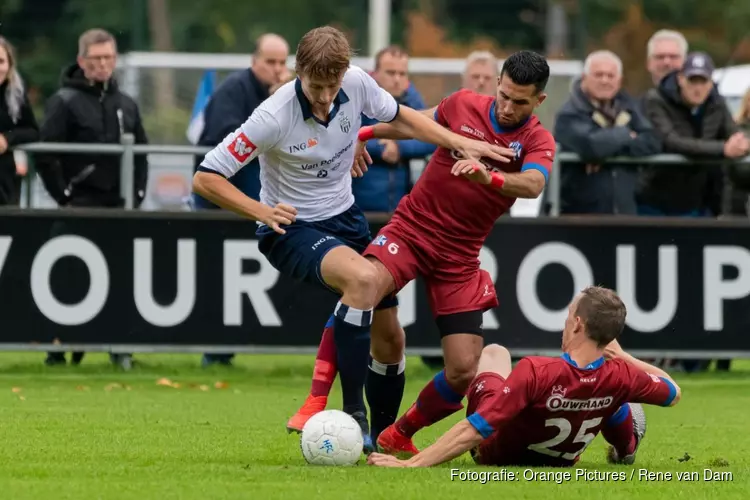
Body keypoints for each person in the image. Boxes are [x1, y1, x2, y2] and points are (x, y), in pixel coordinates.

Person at [192, 26, 512, 451]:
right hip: (293, 228)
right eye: (315, 86)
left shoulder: (358, 83)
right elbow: (205, 177)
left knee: (391, 339)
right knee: (362, 279)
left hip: (347, 219)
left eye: (332, 85)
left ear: (345, 73)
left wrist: (456, 141)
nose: (325, 96)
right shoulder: (273, 115)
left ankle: (383, 437)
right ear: (297, 72)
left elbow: (398, 116)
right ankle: (352, 414)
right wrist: (261, 211)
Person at [357, 50, 554, 455]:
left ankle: (399, 432)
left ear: (539, 101)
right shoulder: (463, 103)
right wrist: (361, 136)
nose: (508, 106)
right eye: (504, 95)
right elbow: (413, 123)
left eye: (520, 101)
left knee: (464, 369)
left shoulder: (537, 140)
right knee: (362, 287)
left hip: (460, 257)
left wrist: (490, 176)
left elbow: (534, 184)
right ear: (497, 83)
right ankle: (338, 406)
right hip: (411, 230)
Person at [367, 286, 682, 468]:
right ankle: (626, 447)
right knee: (614, 396)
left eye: (568, 315)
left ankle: (399, 432)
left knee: (495, 353)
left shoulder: (538, 371)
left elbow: (473, 430)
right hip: (562, 460)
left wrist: (412, 464)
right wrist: (625, 357)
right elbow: (672, 391)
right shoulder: (623, 374)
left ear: (577, 325)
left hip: (493, 455)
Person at [36, 28, 149, 369]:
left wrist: (138, 194)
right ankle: (58, 347)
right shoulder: (63, 102)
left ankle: (119, 348)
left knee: (120, 277)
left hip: (118, 208)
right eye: (96, 58)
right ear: (81, 60)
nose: (103, 64)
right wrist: (64, 195)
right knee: (68, 276)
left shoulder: (126, 104)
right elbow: (46, 154)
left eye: (109, 58)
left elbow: (141, 153)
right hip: (78, 206)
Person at [191, 33, 291, 367]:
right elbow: (223, 145)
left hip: (256, 206)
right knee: (218, 279)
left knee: (243, 281)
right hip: (223, 206)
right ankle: (214, 351)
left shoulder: (287, 95)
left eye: (282, 62)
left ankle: (226, 350)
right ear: (254, 61)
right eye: (270, 62)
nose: (277, 70)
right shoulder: (233, 91)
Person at [556, 50, 661, 215]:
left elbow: (653, 141)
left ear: (619, 81)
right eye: (598, 75)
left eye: (610, 76)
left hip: (625, 213)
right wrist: (626, 134)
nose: (605, 80)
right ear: (584, 78)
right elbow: (591, 145)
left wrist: (607, 151)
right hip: (579, 216)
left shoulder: (630, 108)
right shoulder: (569, 114)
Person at [0, 36, 39, 206]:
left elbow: (33, 131)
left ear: (9, 66)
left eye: (1, 61)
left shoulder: (15, 95)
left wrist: (7, 139)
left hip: (5, 183)